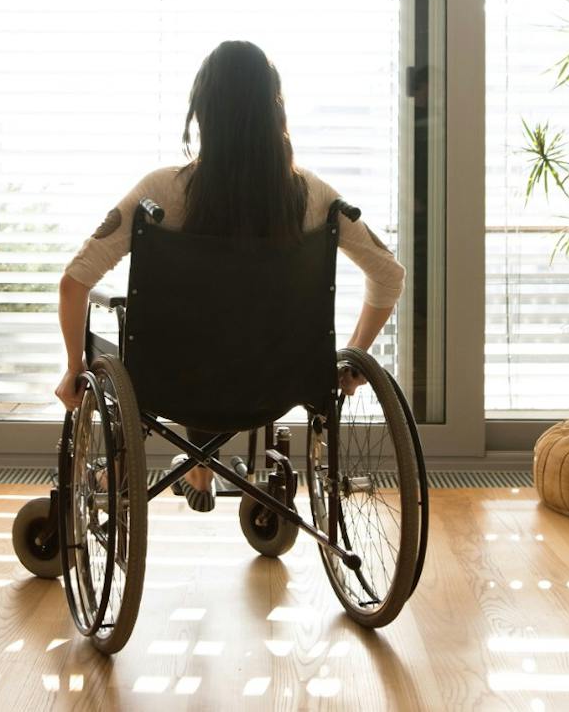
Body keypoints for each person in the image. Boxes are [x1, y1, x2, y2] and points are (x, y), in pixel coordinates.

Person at [55, 39, 406, 511]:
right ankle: (203, 466)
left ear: (202, 113)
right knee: (235, 336)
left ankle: (188, 467)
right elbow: (389, 274)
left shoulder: (160, 194)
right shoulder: (315, 198)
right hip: (278, 382)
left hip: (176, 381)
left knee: (193, 340)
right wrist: (352, 359)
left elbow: (75, 282)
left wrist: (74, 369)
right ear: (275, 111)